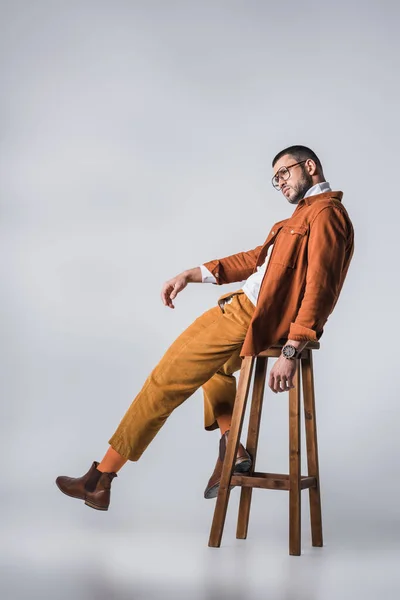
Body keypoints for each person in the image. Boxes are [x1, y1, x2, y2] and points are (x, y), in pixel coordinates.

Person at [56, 145, 355, 511]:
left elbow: (321, 289)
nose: (279, 182)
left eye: (285, 172)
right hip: (251, 318)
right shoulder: (303, 216)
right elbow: (254, 260)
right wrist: (191, 274)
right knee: (212, 372)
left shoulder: (325, 214)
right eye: (274, 178)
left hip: (248, 315)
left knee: (165, 380)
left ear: (309, 167)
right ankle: (232, 445)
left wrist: (294, 348)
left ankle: (100, 479)